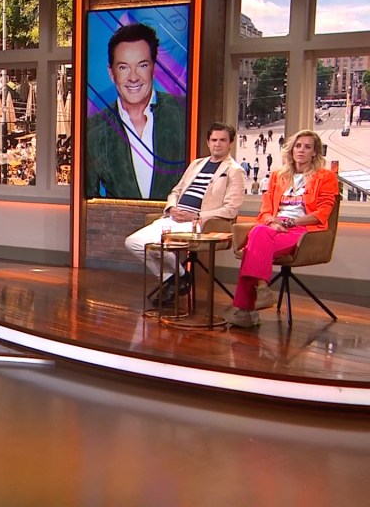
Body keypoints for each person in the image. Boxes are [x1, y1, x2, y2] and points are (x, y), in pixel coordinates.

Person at [226, 130, 339, 328]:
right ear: (291, 149)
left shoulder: (325, 177)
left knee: (253, 246)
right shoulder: (278, 176)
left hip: (301, 230)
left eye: (307, 147)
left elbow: (321, 214)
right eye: (298, 146)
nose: (301, 150)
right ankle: (262, 290)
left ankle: (247, 310)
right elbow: (265, 210)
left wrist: (290, 223)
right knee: (259, 232)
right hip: (274, 227)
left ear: (314, 152)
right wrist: (272, 222)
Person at [125, 123, 245, 306]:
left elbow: (231, 209)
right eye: (214, 140)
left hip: (199, 223)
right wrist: (171, 208)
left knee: (158, 245)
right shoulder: (196, 164)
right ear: (208, 142)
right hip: (173, 217)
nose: (217, 144)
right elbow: (176, 191)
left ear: (230, 143)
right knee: (133, 242)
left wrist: (196, 216)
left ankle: (175, 281)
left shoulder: (235, 171)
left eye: (222, 140)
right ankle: (179, 277)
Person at [86, 23, 187, 200]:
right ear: (111, 73)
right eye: (123, 67)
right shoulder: (94, 130)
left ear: (153, 68)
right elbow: (87, 198)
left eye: (142, 65)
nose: (133, 77)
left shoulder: (184, 114)